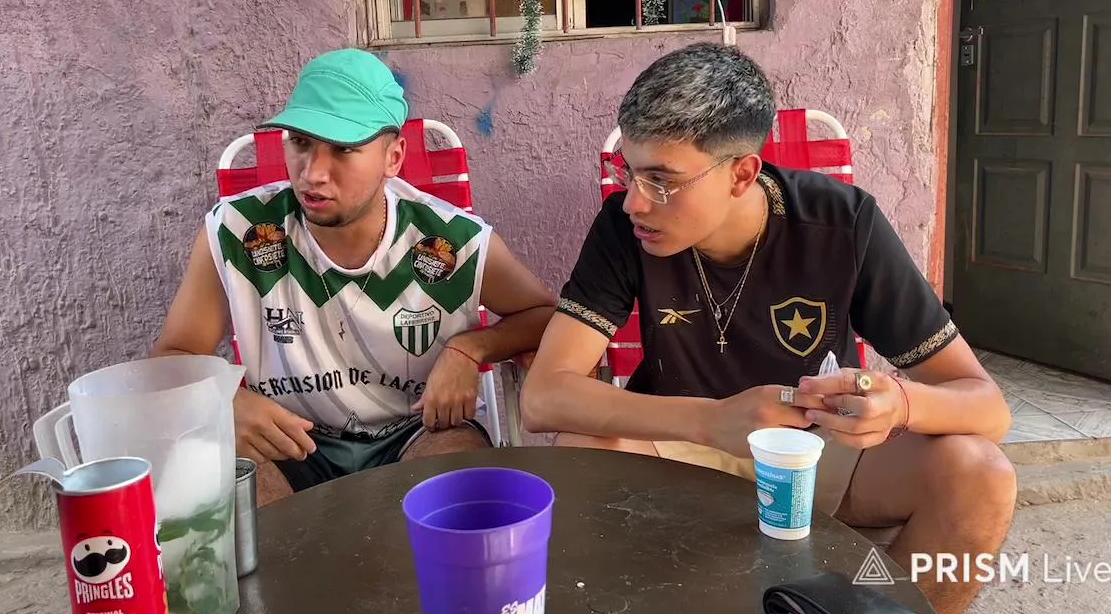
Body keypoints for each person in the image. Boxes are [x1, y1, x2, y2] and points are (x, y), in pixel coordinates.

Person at [519, 42, 1016, 614]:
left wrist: (898, 403)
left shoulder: (840, 223)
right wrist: (712, 421)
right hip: (680, 445)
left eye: (661, 180)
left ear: (742, 173)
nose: (635, 202)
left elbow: (987, 408)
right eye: (628, 172)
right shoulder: (623, 229)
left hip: (814, 451)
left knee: (978, 474)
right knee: (581, 452)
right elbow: (544, 397)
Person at [153, 48, 556, 491]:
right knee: (223, 481)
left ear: (393, 158)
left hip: (419, 430)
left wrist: (471, 348)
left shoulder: (451, 241)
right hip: (289, 437)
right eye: (300, 143)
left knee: (458, 484)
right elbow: (176, 354)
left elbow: (546, 316)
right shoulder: (239, 231)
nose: (313, 174)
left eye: (344, 149)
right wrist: (222, 401)